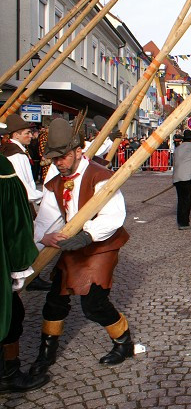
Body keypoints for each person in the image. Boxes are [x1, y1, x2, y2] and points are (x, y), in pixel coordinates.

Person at [30, 117, 134, 377]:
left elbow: (114, 215)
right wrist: (44, 238)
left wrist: (88, 236)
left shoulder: (101, 176)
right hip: (71, 246)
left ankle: (124, 342)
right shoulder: (55, 181)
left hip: (101, 245)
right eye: (54, 159)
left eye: (62, 157)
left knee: (93, 304)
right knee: (55, 301)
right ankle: (46, 352)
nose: (58, 163)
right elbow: (46, 219)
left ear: (78, 151)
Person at [0, 123, 50, 393]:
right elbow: (16, 225)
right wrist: (20, 268)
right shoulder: (6, 168)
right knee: (11, 315)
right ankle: (8, 375)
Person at [0, 114, 52, 292]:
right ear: (15, 135)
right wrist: (44, 196)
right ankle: (29, 275)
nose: (31, 135)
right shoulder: (16, 155)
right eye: (27, 133)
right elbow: (23, 186)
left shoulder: (13, 150)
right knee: (24, 238)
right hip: (20, 204)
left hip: (19, 201)